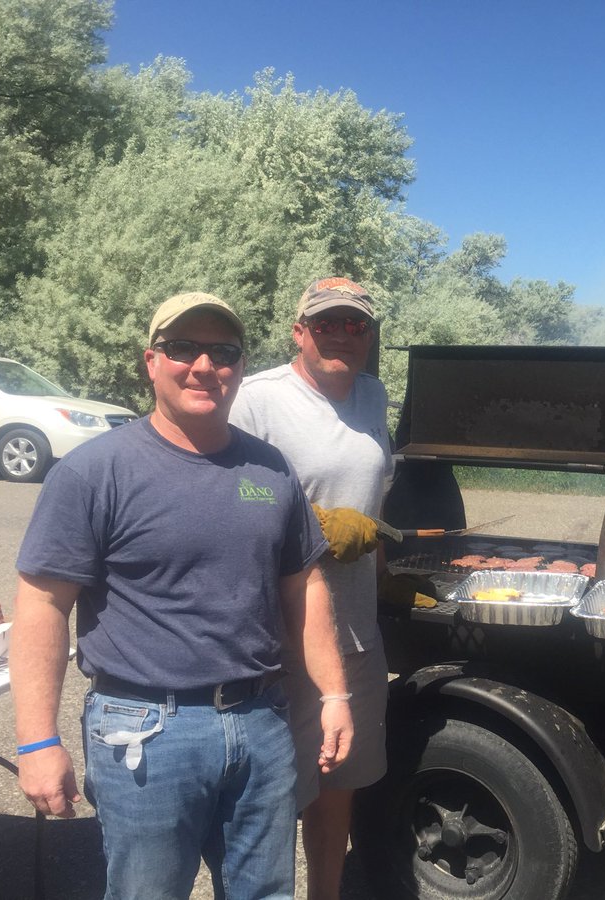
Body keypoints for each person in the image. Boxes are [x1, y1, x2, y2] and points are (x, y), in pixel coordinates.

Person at [10, 292, 354, 900]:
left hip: (260, 725)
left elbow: (306, 587)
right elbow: (41, 604)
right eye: (182, 348)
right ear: (151, 361)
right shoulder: (95, 472)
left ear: (240, 369)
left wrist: (333, 694)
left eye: (223, 352)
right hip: (143, 732)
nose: (203, 365)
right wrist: (38, 740)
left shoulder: (270, 470)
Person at [229, 276, 393, 900]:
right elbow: (222, 492)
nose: (341, 336)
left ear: (368, 335)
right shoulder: (257, 400)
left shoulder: (373, 396)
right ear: (299, 331)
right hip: (276, 642)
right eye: (326, 324)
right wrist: (312, 524)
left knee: (334, 796)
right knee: (270, 800)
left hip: (354, 634)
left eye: (355, 326)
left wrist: (380, 565)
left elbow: (375, 489)